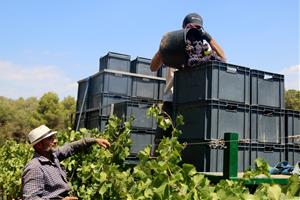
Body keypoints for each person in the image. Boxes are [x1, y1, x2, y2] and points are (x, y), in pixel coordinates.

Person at [150, 13, 226, 150]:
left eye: (198, 28)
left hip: (193, 100)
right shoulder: (173, 46)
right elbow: (153, 66)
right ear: (183, 28)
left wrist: (207, 37)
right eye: (190, 27)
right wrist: (164, 48)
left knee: (187, 139)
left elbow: (223, 58)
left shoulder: (203, 49)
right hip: (171, 101)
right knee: (161, 141)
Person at [22, 125, 111, 199]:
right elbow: (30, 198)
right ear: (39, 145)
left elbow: (71, 147)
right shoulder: (35, 167)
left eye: (54, 138)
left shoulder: (53, 156)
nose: (55, 141)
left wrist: (95, 140)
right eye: (50, 139)